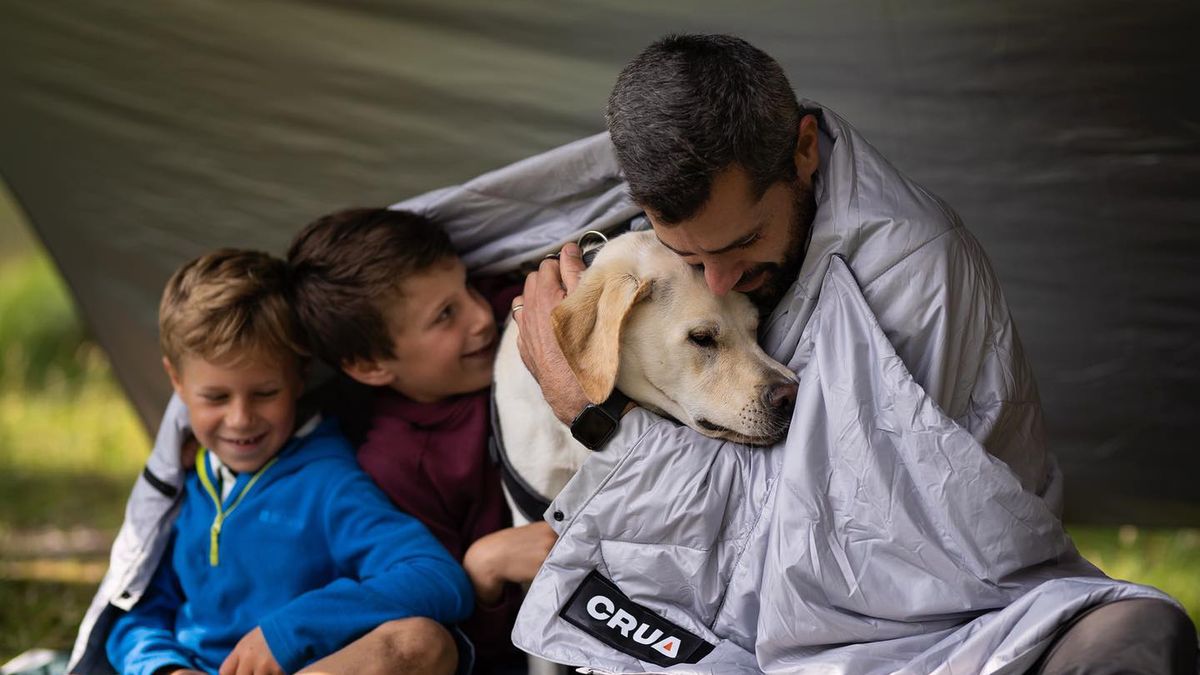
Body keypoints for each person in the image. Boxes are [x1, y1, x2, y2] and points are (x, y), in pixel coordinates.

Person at [509, 34, 1197, 673]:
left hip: (936, 618)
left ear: (804, 150)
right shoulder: (663, 244)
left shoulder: (914, 278)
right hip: (742, 608)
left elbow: (824, 557)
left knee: (1136, 635)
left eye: (742, 243)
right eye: (691, 256)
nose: (717, 281)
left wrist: (599, 417)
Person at [105, 249, 474, 675]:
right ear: (177, 382)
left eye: (265, 393)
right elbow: (135, 612)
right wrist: (164, 668)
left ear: (299, 378)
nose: (240, 419)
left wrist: (289, 631)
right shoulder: (185, 480)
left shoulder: (329, 483)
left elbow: (438, 578)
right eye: (216, 397)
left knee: (423, 642)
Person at [286, 207, 554, 674]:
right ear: (370, 366)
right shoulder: (397, 464)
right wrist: (483, 569)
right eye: (445, 315)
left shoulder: (514, 308)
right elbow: (467, 647)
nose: (479, 317)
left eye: (468, 284)